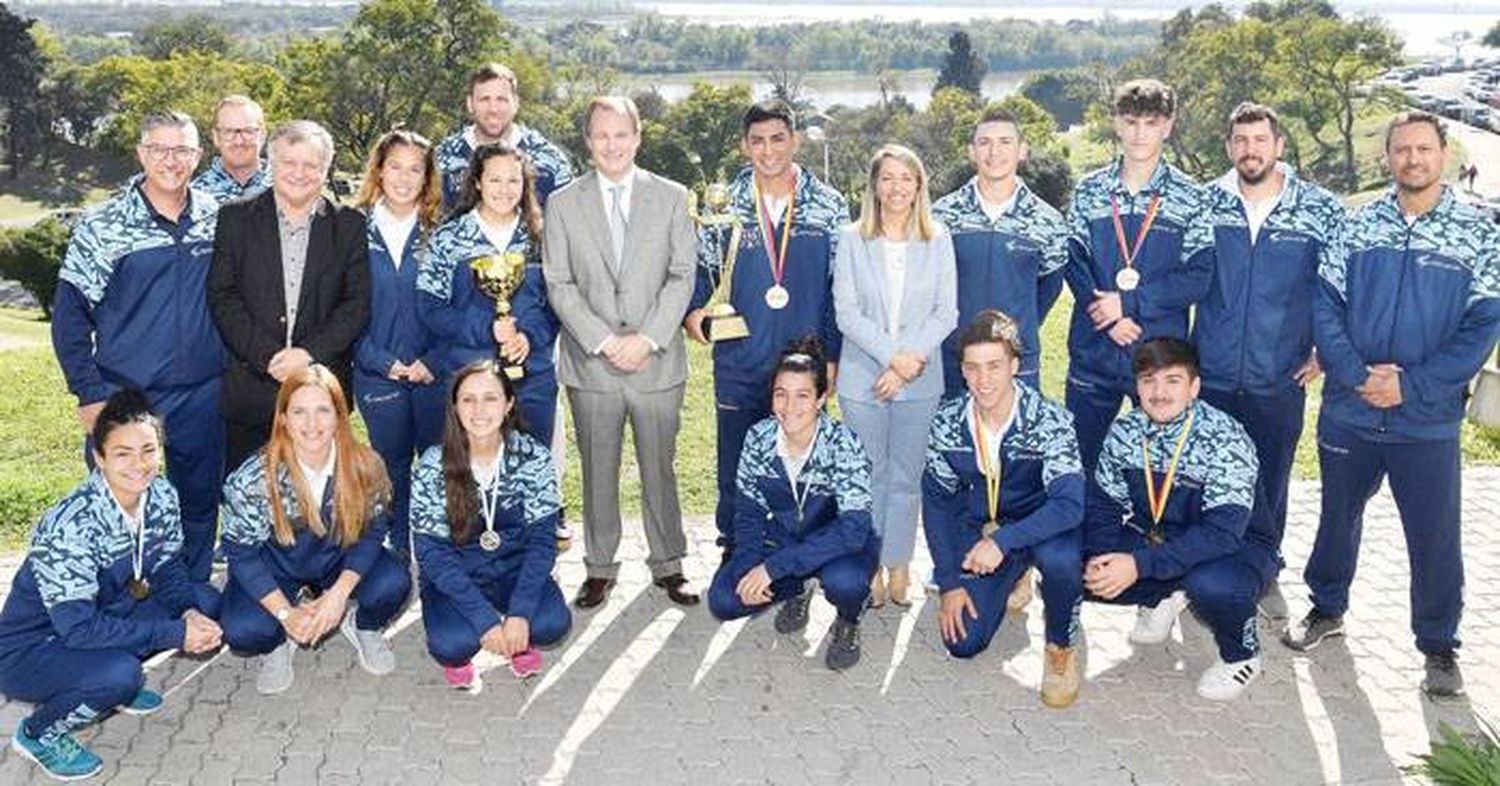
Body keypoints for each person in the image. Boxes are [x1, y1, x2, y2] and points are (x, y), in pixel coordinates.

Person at [1285, 111, 1500, 698]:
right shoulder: (1357, 226)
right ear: (1389, 159)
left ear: (1444, 154)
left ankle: (1438, 646)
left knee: (1434, 536)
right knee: (1336, 518)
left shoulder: (1480, 233)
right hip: (1350, 412)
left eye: (1423, 149)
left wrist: (1412, 385)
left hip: (1426, 420)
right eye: (1401, 150)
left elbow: (1482, 327)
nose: (1412, 159)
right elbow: (1324, 306)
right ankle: (1326, 609)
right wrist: (1357, 376)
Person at [0, 391, 222, 781]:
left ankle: (106, 681)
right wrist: (174, 632)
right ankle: (38, 733)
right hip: (34, 645)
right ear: (99, 457)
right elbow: (79, 629)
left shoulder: (162, 495)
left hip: (104, 611)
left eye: (149, 450)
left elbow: (168, 568)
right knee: (119, 675)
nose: (139, 465)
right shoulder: (70, 526)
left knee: (203, 600)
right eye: (122, 453)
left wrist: (188, 615)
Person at [1180, 102, 1344, 621]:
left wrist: (1325, 350)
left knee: (1268, 481)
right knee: (1208, 478)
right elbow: (1185, 279)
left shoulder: (1319, 209)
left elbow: (1339, 285)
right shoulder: (1205, 205)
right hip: (1214, 373)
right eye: (1240, 141)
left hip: (1279, 375)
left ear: (1279, 146)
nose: (1250, 149)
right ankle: (1204, 571)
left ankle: (1262, 568)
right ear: (1229, 148)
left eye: (1260, 140)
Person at [52, 110, 227, 582]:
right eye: (159, 149)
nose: (171, 160)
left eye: (182, 150)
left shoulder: (217, 216)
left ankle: (189, 590)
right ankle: (122, 597)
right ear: (141, 153)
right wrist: (88, 393)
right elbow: (69, 319)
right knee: (123, 501)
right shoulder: (102, 225)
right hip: (126, 395)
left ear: (198, 155)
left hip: (203, 393)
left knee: (198, 500)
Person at [541, 96, 700, 610]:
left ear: (638, 137)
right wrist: (606, 342)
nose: (612, 144)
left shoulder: (673, 198)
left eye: (621, 134)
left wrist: (647, 338)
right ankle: (599, 567)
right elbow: (559, 283)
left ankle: (669, 564)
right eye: (601, 135)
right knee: (597, 468)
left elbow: (682, 276)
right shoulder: (563, 204)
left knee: (661, 466)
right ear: (588, 141)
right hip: (593, 364)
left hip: (656, 361)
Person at [683, 100, 850, 559]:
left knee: (803, 462)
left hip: (804, 364)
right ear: (744, 145)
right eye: (757, 141)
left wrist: (832, 356)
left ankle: (802, 552)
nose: (768, 150)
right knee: (736, 460)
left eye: (778, 138)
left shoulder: (829, 206)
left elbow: (841, 287)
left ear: (794, 140)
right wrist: (693, 311)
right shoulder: (725, 204)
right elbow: (702, 269)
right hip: (741, 357)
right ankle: (736, 548)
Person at [1084, 338, 1264, 702]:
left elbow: (1223, 534)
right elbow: (1104, 505)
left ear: (1194, 387)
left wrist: (1138, 565)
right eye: (1148, 380)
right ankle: (1165, 593)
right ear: (1136, 387)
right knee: (1073, 568)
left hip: (1234, 546)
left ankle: (1242, 655)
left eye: (1173, 381)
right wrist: (1100, 557)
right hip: (1159, 537)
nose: (1159, 392)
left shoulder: (1224, 437)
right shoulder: (1126, 431)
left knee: (1211, 586)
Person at [921, 311, 1084, 708]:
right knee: (962, 643)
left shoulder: (1050, 420)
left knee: (1062, 560)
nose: (984, 379)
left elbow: (1069, 504)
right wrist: (949, 582)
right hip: (982, 533)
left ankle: (1061, 645)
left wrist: (1005, 541)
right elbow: (938, 503)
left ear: (1015, 366)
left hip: (1040, 528)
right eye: (973, 368)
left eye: (994, 366)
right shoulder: (946, 423)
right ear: (962, 371)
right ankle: (1011, 577)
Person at [218, 366, 412, 695]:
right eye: (299, 412)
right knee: (244, 629)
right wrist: (285, 614)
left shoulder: (366, 466)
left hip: (337, 558)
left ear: (340, 415)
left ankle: (361, 625)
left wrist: (337, 597)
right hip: (277, 567)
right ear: (282, 418)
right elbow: (242, 553)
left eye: (323, 410)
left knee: (394, 582)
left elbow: (374, 530)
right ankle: (280, 640)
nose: (312, 424)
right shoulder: (251, 479)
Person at [832, 143, 957, 606]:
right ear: (874, 186)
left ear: (919, 185)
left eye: (906, 178)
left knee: (906, 477)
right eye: (887, 178)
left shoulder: (938, 239)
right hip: (863, 380)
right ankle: (870, 565)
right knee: (869, 475)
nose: (897, 187)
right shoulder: (850, 239)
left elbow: (947, 313)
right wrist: (893, 359)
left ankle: (899, 562)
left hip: (921, 381)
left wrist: (907, 366)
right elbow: (846, 313)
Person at [208, 119, 372, 471]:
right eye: (289, 162)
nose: (299, 173)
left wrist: (308, 356)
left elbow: (355, 305)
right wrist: (269, 357)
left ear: (326, 169)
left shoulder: (349, 225)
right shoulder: (234, 219)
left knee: (319, 507)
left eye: (311, 164)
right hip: (252, 392)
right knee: (249, 501)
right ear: (271, 163)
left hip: (322, 397)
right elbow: (223, 296)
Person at [1064, 79, 1207, 474]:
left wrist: (1127, 304)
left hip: (1159, 360)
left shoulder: (1192, 197)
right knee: (1084, 468)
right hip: (1095, 351)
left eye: (1150, 123)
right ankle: (1090, 538)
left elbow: (1199, 277)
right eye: (1131, 122)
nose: (1140, 133)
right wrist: (1107, 316)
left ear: (1168, 126)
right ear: (1116, 124)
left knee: (1160, 472)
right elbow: (1073, 261)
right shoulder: (1090, 190)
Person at [707, 338, 878, 671]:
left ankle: (849, 618)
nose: (789, 406)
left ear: (820, 399)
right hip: (789, 539)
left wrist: (774, 568)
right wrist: (748, 569)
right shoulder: (758, 437)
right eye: (780, 394)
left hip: (840, 543)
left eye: (802, 395)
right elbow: (749, 516)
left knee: (847, 583)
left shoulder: (843, 442)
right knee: (725, 600)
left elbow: (853, 530)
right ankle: (798, 588)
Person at [412, 361, 572, 690]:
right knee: (452, 644)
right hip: (458, 573)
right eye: (468, 400)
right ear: (455, 407)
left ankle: (518, 639)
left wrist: (521, 612)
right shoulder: (432, 463)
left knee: (552, 623)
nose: (479, 410)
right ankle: (470, 645)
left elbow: (543, 541)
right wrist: (485, 621)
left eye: (491, 398)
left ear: (508, 403)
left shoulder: (533, 456)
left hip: (513, 570)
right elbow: (431, 553)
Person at [351, 128, 446, 563]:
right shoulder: (352, 228)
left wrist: (433, 360)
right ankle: (396, 552)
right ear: (379, 170)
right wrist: (382, 362)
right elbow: (340, 309)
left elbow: (461, 306)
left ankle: (434, 552)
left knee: (436, 465)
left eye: (416, 169)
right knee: (390, 467)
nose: (405, 178)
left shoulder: (445, 232)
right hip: (376, 372)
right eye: (395, 167)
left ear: (427, 177)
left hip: (434, 373)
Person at [932, 106, 1070, 393]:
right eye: (985, 143)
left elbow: (1049, 288)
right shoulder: (941, 216)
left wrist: (1017, 329)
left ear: (1022, 150)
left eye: (1005, 142)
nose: (994, 152)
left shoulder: (1048, 221)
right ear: (971, 151)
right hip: (955, 360)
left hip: (1018, 361)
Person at [436, 62, 573, 210]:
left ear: (516, 103)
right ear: (470, 104)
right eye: (484, 99)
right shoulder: (442, 161)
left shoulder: (550, 163)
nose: (493, 109)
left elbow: (571, 222)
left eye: (501, 99)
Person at [193, 94, 271, 204]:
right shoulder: (194, 197)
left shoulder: (290, 185)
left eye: (248, 131)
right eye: (229, 131)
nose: (239, 141)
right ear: (216, 137)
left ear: (262, 135)